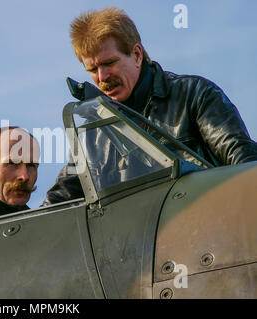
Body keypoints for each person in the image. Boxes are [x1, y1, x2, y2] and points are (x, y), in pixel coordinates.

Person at [44, 6, 257, 205]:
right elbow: (57, 203)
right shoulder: (92, 134)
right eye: (92, 69)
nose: (102, 77)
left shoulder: (194, 95)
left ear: (137, 55)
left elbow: (243, 160)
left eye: (109, 63)